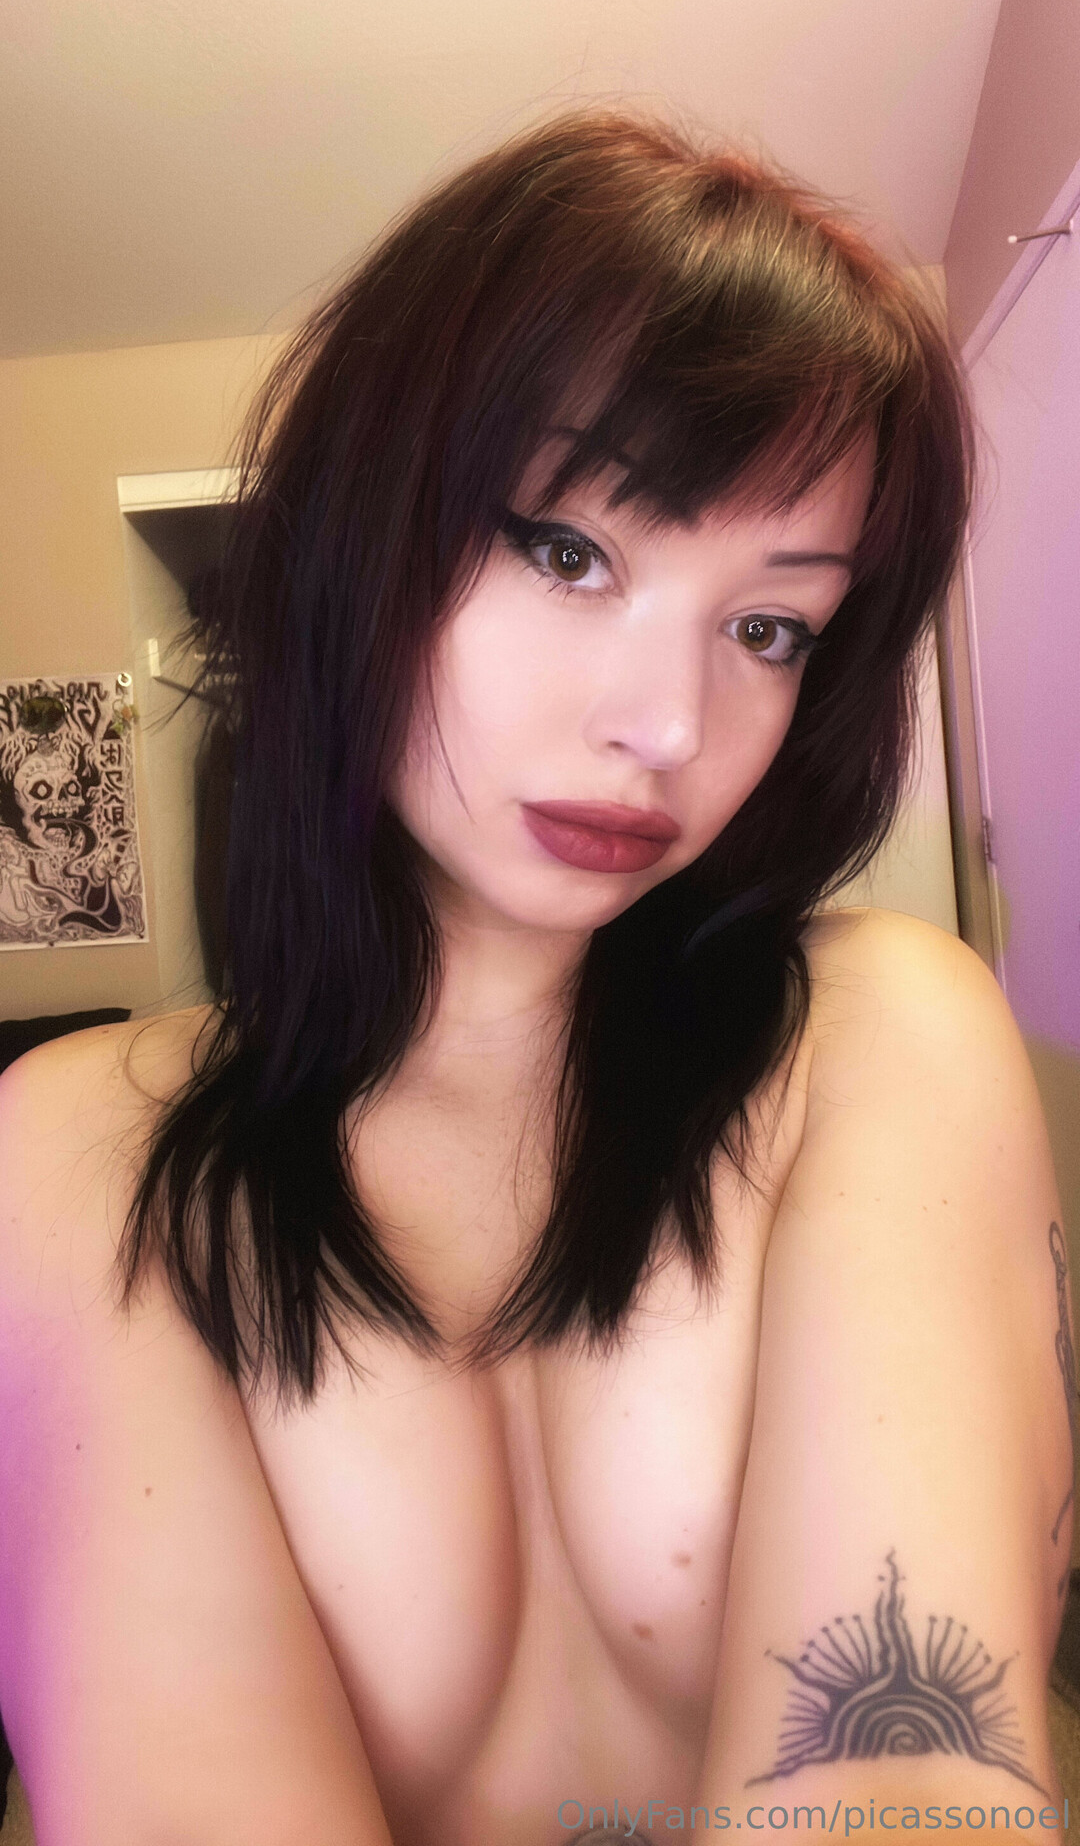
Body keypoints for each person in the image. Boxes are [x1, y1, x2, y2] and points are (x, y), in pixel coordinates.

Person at [0, 111, 1070, 1846]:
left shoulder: (878, 1037)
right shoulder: (81, 1154)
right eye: (570, 551)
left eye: (770, 627)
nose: (668, 726)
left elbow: (905, 1771)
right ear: (361, 528)